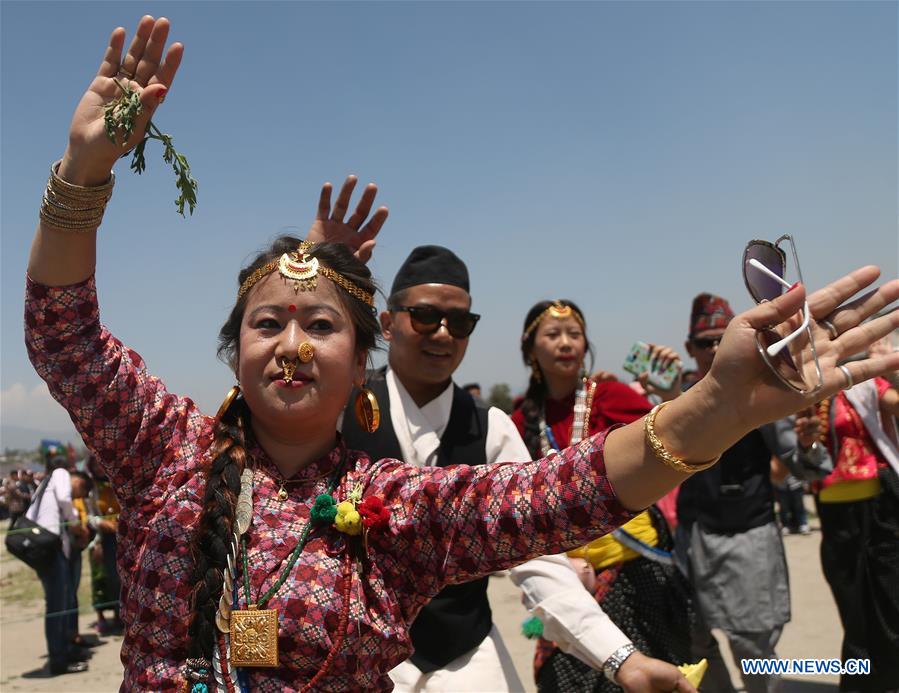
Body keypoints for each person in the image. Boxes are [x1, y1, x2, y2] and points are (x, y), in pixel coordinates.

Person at [24, 15, 899, 691]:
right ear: (234, 346)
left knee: (796, 650)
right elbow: (63, 329)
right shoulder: (163, 446)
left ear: (361, 361)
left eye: (321, 326)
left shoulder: (396, 510)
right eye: (266, 324)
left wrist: (725, 401)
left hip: (504, 649)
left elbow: (558, 496)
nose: (290, 344)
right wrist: (84, 170)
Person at [341, 246, 527, 691]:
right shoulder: (339, 408)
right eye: (425, 316)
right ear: (387, 323)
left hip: (466, 652)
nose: (443, 333)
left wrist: (619, 658)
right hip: (357, 654)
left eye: (460, 322)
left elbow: (537, 549)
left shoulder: (491, 428)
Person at [509, 300, 695, 692]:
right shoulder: (520, 422)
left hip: (634, 571)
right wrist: (559, 566)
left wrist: (674, 394)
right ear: (530, 350)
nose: (566, 343)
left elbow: (676, 433)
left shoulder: (609, 395)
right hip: (567, 581)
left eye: (574, 334)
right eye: (553, 334)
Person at [805, 358, 899, 690]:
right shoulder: (807, 391)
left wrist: (890, 370)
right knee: (855, 616)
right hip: (834, 512)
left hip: (880, 509)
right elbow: (789, 462)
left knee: (891, 606)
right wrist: (804, 441)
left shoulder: (867, 386)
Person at [25, 456, 92, 675]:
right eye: (80, 489)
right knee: (57, 605)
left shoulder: (46, 483)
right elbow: (64, 499)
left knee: (60, 602)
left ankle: (64, 650)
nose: (77, 495)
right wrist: (77, 526)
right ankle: (59, 659)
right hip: (50, 548)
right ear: (74, 476)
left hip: (46, 547)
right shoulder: (61, 474)